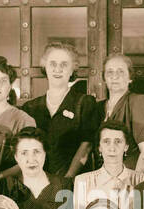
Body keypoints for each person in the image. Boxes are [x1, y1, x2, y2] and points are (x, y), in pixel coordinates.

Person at [21, 41, 99, 179]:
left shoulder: (85, 103)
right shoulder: (30, 107)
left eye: (64, 64)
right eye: (53, 64)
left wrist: (67, 180)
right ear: (45, 66)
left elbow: (86, 146)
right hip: (37, 183)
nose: (58, 69)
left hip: (72, 182)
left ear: (72, 70)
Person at [71, 121, 144, 209]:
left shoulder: (142, 180)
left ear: (126, 146)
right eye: (106, 141)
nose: (112, 148)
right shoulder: (83, 181)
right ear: (99, 147)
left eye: (118, 141)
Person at [96, 53, 144, 173]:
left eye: (120, 72)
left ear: (130, 78)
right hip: (103, 179)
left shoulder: (138, 102)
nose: (114, 76)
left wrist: (132, 184)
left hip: (129, 178)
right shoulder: (98, 107)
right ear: (104, 78)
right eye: (110, 72)